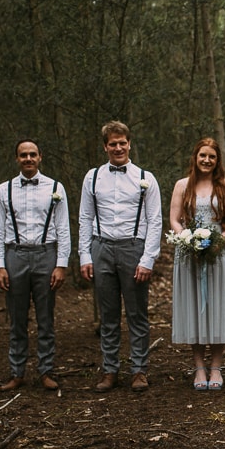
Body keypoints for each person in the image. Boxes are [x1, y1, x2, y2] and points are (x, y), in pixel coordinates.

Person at [78, 121, 162, 393]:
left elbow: (155, 220)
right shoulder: (92, 177)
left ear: (129, 144)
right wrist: (84, 255)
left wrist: (148, 258)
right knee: (108, 314)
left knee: (137, 314)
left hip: (133, 248)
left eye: (122, 143)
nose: (117, 148)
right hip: (101, 248)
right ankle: (110, 369)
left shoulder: (145, 178)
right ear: (105, 147)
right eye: (112, 144)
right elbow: (85, 218)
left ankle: (138, 369)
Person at [0, 140, 71, 391]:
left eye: (32, 154)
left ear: (40, 157)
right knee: (17, 318)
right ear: (16, 159)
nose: (28, 159)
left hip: (46, 254)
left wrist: (61, 264)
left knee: (46, 317)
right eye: (23, 155)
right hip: (15, 255)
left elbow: (64, 228)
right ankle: (17, 372)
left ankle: (46, 371)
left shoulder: (56, 187)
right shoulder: (3, 190)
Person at [168, 138, 225, 391]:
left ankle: (216, 366)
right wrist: (187, 240)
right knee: (194, 307)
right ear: (195, 158)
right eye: (202, 156)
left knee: (218, 305)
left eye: (211, 156)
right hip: (189, 255)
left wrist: (218, 243)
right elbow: (175, 219)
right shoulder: (182, 185)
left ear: (217, 160)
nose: (207, 160)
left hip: (219, 253)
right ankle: (199, 366)